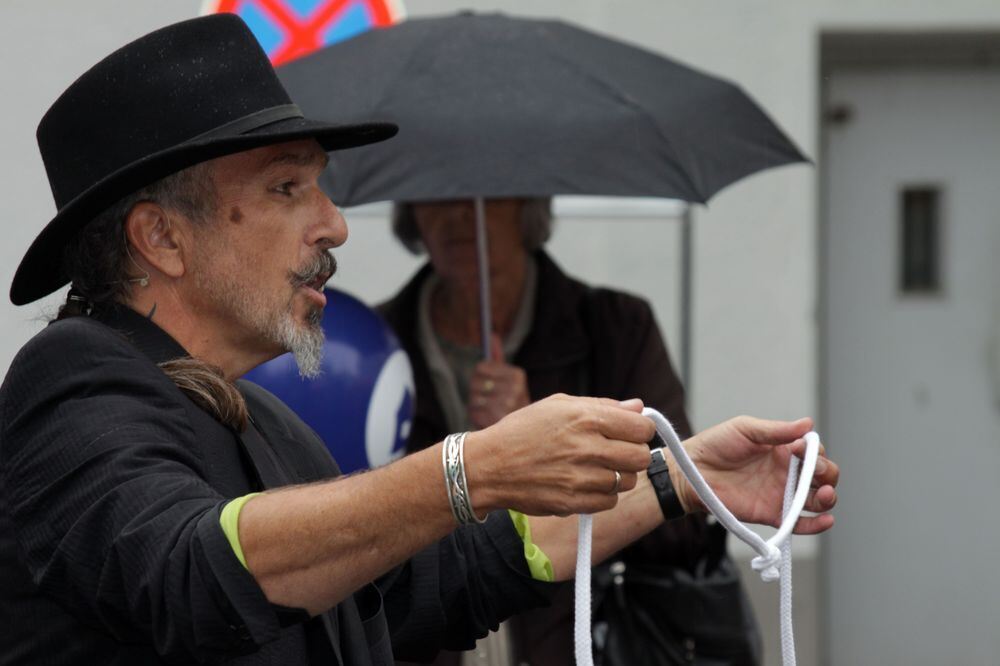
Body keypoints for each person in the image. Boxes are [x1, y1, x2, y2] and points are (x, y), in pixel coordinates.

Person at [0, 14, 840, 666]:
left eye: (322, 189)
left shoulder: (264, 424)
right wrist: (471, 467)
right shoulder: (76, 380)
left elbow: (434, 580)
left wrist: (680, 478)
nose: (333, 226)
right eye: (288, 186)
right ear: (162, 239)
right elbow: (190, 571)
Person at [380, 198, 755, 666]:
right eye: (434, 198)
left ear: (527, 206)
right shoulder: (375, 346)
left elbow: (680, 529)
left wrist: (543, 445)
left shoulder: (615, 328)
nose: (456, 216)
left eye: (484, 198)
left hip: (575, 646)